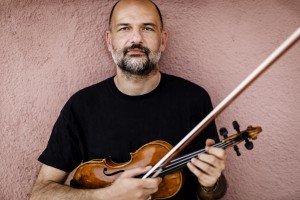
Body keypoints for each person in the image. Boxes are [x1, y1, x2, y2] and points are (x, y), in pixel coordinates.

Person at [30, 0, 227, 199]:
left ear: (163, 40)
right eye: (124, 28)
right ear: (109, 40)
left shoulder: (194, 99)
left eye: (148, 28)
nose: (136, 38)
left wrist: (210, 184)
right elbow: (40, 193)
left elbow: (212, 194)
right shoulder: (81, 106)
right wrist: (107, 196)